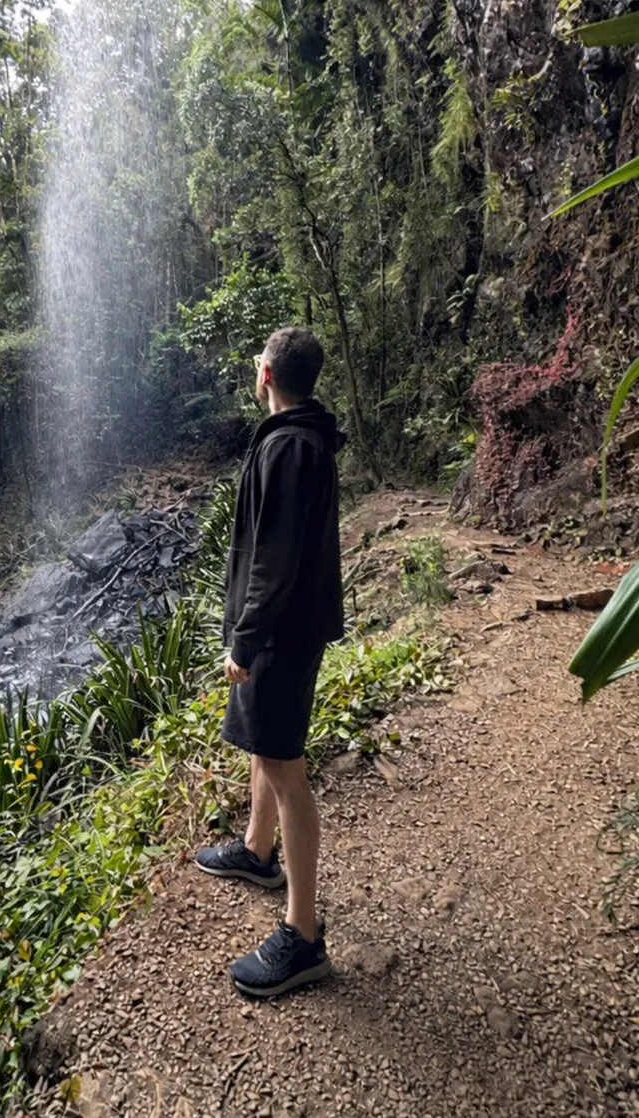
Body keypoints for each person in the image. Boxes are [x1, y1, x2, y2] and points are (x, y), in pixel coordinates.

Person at [195, 326, 345, 998]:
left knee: (285, 766)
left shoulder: (290, 447)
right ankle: (258, 852)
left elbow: (274, 561)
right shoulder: (302, 437)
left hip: (280, 632)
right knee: (265, 745)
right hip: (282, 628)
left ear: (265, 375)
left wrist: (246, 640)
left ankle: (303, 936)